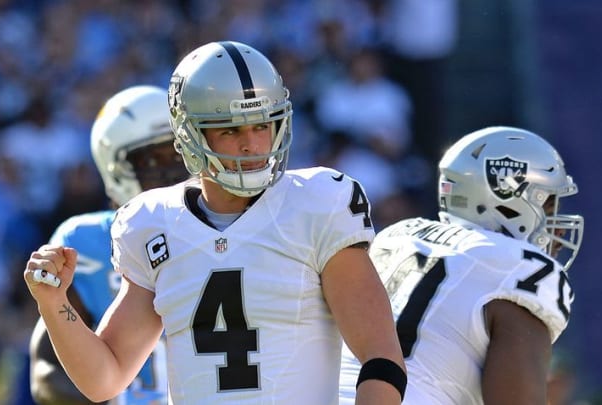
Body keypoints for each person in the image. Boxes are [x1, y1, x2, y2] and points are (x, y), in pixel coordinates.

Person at [23, 41, 406, 404]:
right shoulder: (152, 224)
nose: (252, 145)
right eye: (230, 130)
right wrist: (53, 304)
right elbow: (104, 377)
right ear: (190, 134)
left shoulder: (317, 204)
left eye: (262, 125)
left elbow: (382, 358)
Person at [340, 126, 584, 404]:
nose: (558, 228)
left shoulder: (395, 235)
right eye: (548, 207)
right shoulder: (520, 269)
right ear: (506, 201)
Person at [28, 85, 191, 404]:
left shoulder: (225, 229)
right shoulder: (85, 244)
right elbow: (48, 373)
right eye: (154, 161)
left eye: (179, 154)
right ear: (117, 168)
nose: (173, 171)